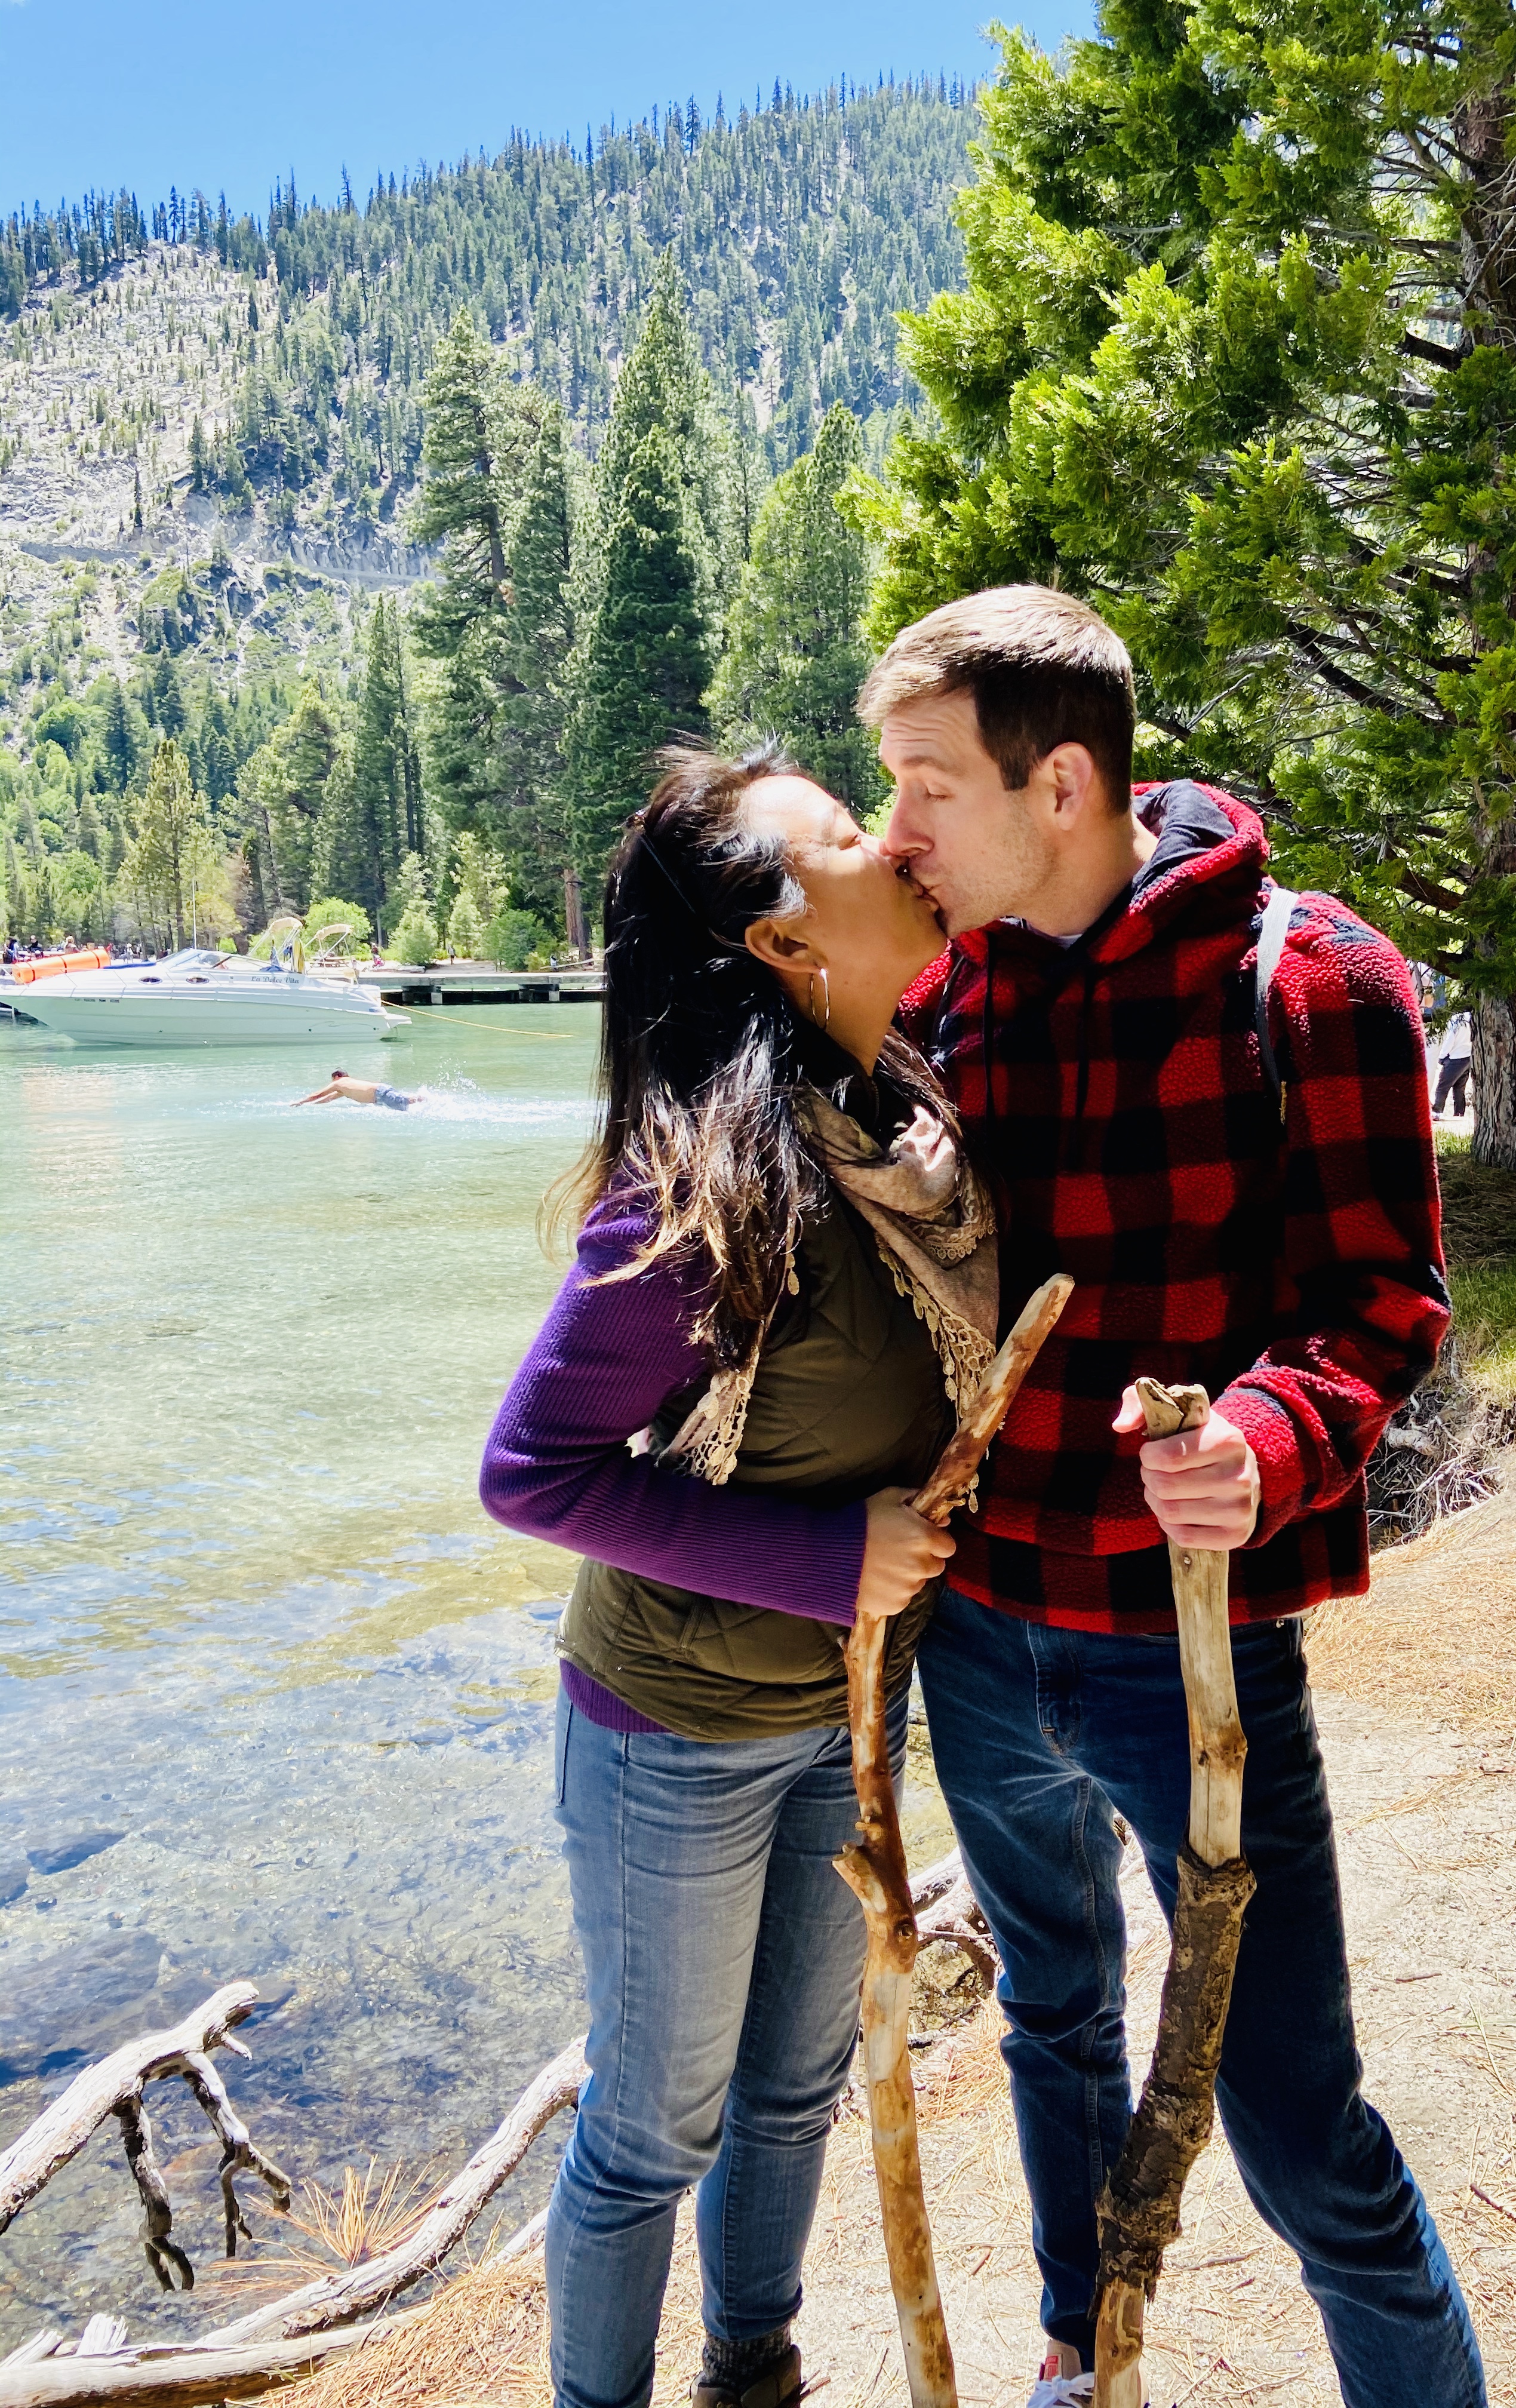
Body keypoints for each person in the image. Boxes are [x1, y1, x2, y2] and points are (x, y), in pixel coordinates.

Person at [864, 587, 1486, 2408]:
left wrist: (1271, 1447)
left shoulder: (1314, 980)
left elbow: (1388, 1307)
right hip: (982, 1636)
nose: (894, 829)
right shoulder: (944, 988)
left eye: (924, 785)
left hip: (1187, 1658)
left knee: (1297, 2117)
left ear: (1061, 782)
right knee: (1050, 2024)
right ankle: (1087, 2347)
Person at [477, 744, 996, 2408]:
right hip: (675, 1732)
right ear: (781, 940)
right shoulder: (702, 1194)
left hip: (844, 1718)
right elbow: (530, 1471)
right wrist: (827, 1555)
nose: (895, 839)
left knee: (795, 2092)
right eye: (846, 833)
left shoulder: (902, 1119)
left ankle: (750, 2373)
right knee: (653, 2124)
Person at [291, 1072, 426, 1110]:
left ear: (337, 1077)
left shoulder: (340, 1083)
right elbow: (328, 1099)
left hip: (380, 1093)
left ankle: (430, 1098)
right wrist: (311, 1106)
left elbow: (318, 1094)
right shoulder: (344, 1089)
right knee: (405, 1106)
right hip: (381, 1093)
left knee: (407, 1101)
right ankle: (426, 1099)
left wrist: (300, 1102)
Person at [1432, 1008, 1472, 1117]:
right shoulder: (1472, 1018)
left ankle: (1437, 1112)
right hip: (1468, 1057)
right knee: (1459, 1088)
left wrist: (1442, 1056)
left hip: (1455, 1058)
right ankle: (1460, 1113)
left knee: (1442, 1087)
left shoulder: (1456, 1019)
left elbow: (1450, 1040)